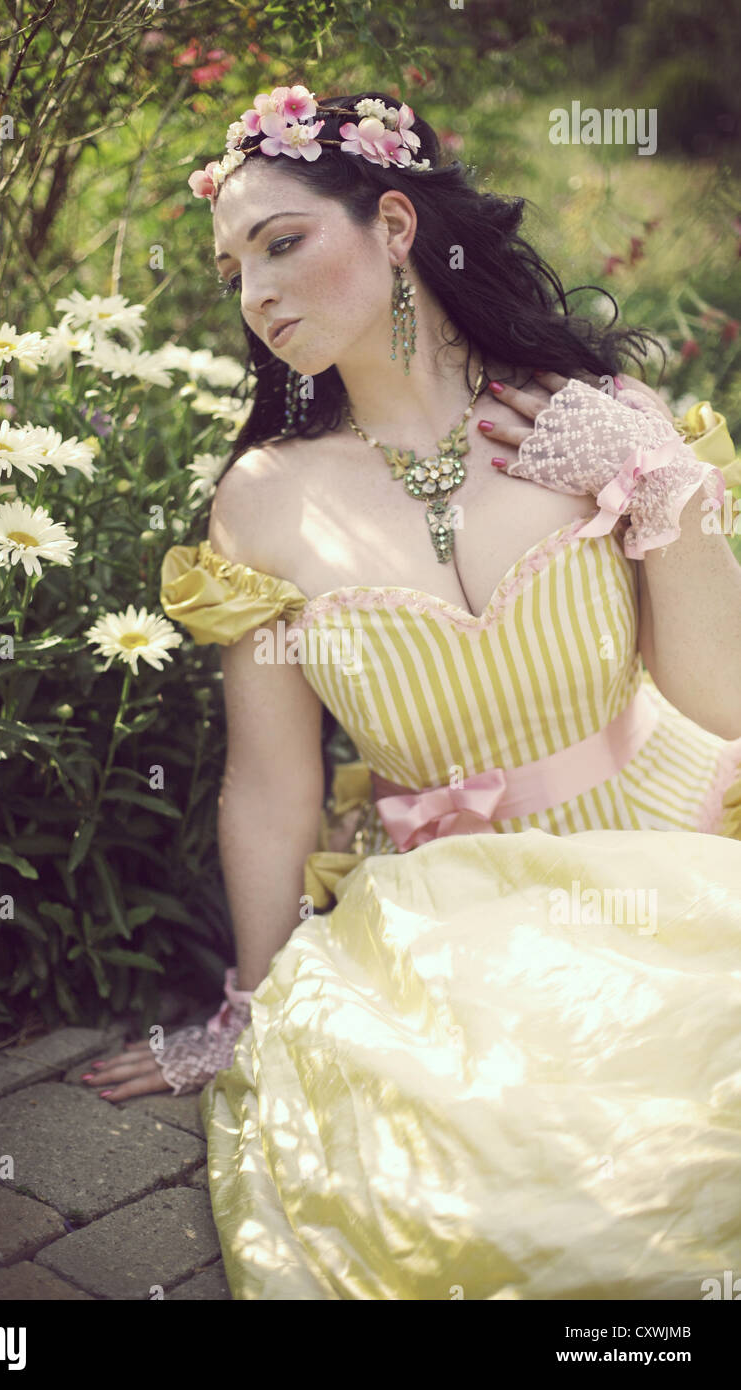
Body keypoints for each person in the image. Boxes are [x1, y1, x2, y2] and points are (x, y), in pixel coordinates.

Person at [83, 87, 741, 1299]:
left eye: (280, 243)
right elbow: (271, 791)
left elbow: (719, 694)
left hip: (672, 849)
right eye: (233, 269)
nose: (255, 294)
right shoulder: (267, 499)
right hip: (447, 924)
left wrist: (666, 489)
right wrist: (249, 1005)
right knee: (480, 1189)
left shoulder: (591, 416)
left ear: (393, 224)